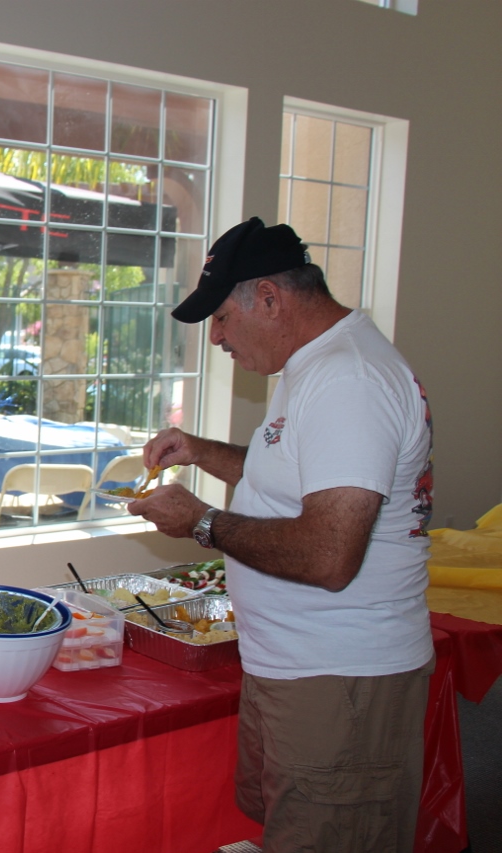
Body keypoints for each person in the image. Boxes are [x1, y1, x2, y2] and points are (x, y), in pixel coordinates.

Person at [128, 217, 434, 853]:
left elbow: (329, 556)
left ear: (269, 297)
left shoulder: (348, 379)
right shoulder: (313, 366)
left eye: (221, 318)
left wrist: (202, 523)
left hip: (341, 677)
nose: (215, 337)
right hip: (298, 667)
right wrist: (200, 450)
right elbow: (295, 477)